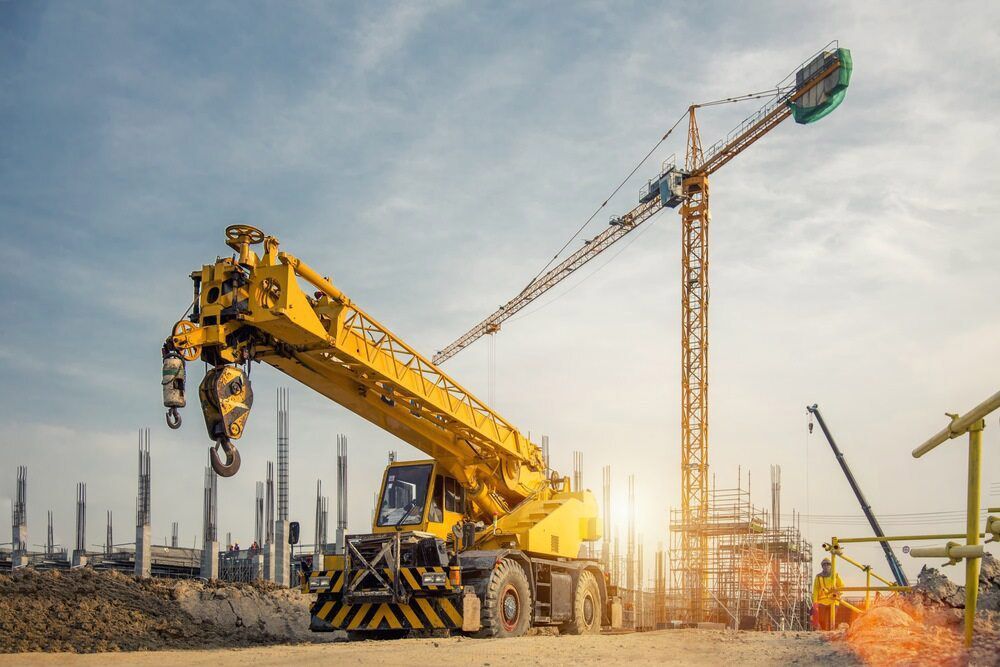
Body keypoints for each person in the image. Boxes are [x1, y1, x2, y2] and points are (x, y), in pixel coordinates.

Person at [812, 558, 844, 630]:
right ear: (822, 566)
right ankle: (824, 630)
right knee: (821, 619)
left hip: (833, 600)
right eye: (824, 564)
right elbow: (816, 589)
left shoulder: (835, 575)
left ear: (831, 566)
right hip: (822, 600)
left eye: (828, 564)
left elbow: (841, 586)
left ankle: (830, 632)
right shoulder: (818, 576)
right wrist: (815, 602)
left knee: (831, 619)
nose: (826, 566)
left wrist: (837, 593)